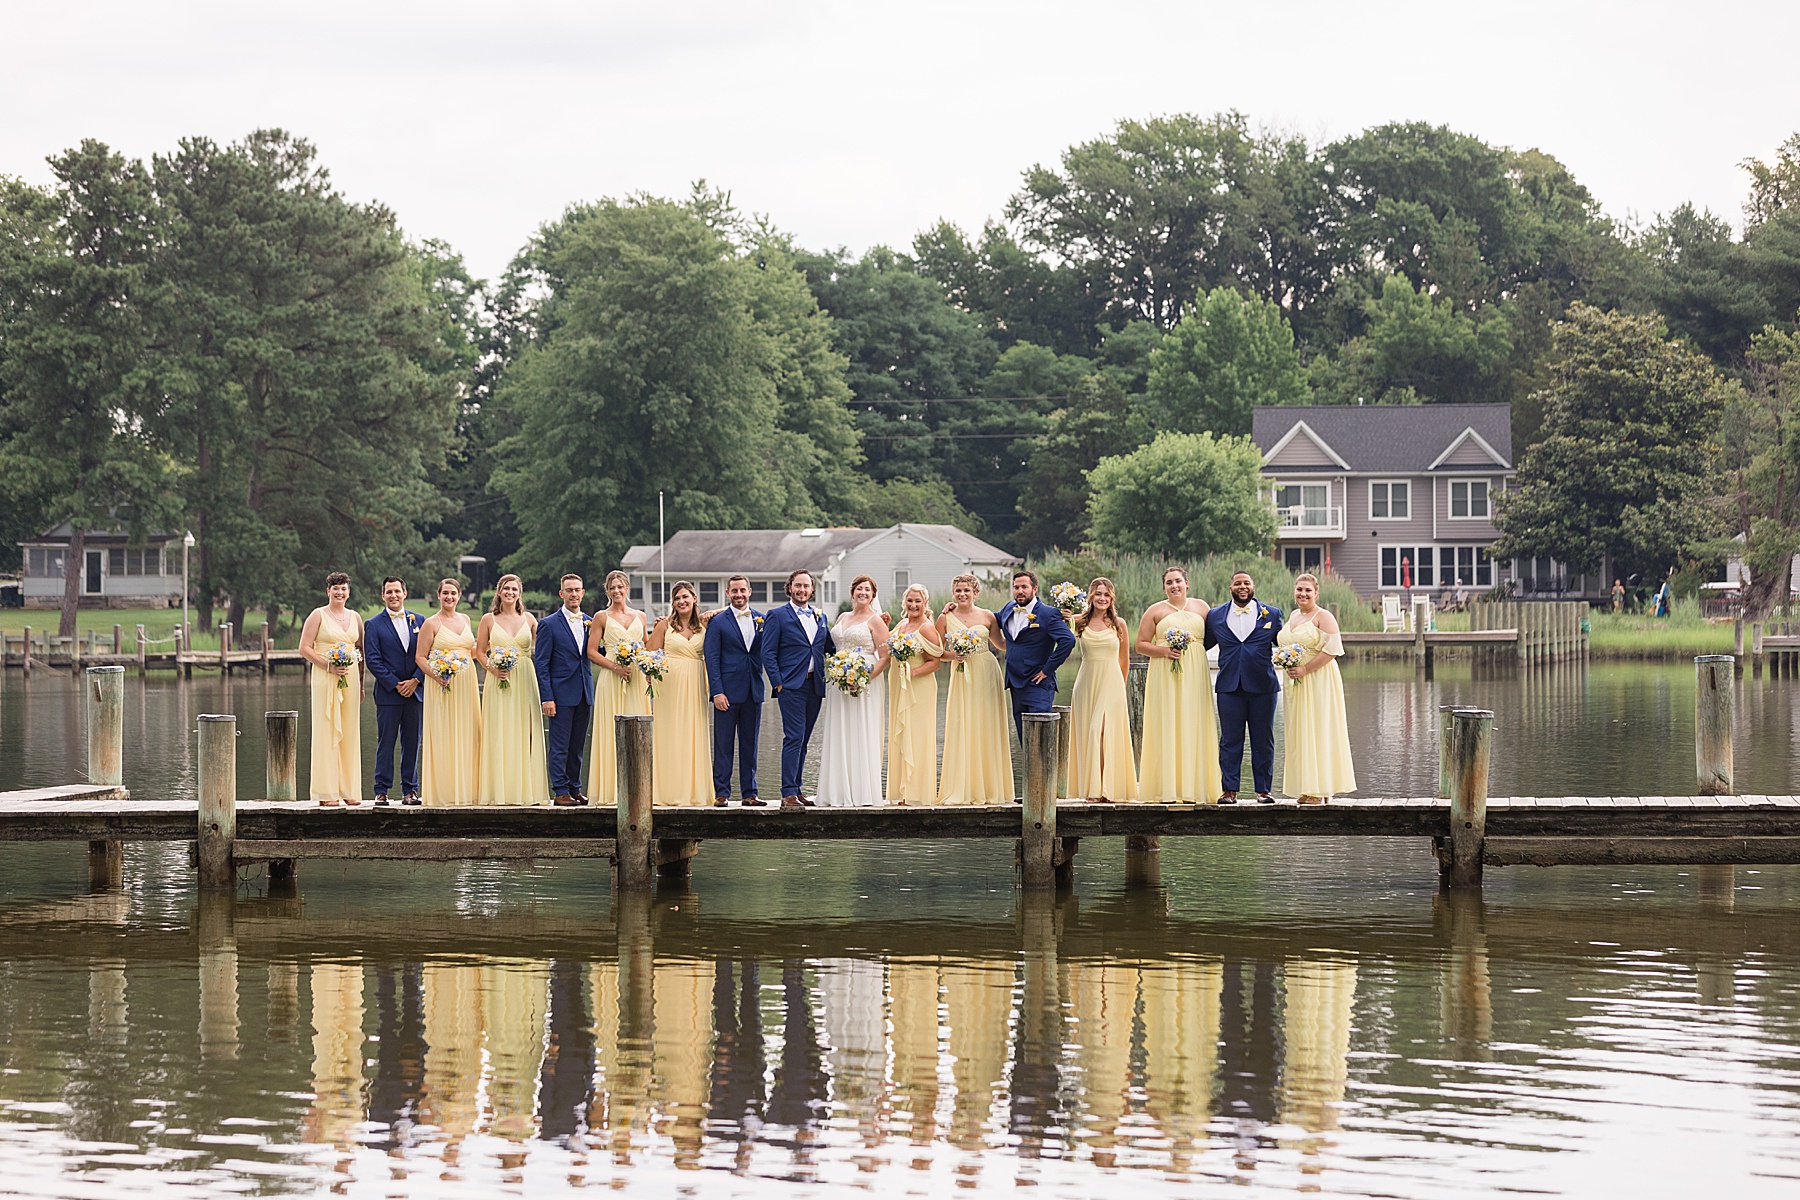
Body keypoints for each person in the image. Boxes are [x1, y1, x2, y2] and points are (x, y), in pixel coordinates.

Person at [1136, 566, 1219, 804]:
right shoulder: (1155, 610)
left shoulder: (1202, 607)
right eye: (1169, 583)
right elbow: (1140, 644)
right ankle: (1167, 789)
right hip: (1165, 673)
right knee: (1168, 722)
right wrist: (1163, 651)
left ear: (1187, 583)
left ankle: (1195, 788)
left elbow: (1214, 637)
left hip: (1195, 672)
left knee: (1194, 721)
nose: (1174, 586)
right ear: (1164, 587)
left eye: (1178, 581)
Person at [1205, 570, 1284, 804]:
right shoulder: (1215, 616)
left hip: (1263, 686)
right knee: (1229, 739)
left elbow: (1287, 643)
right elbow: (1201, 644)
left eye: (1246, 583)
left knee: (1263, 739)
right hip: (1229, 686)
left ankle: (1263, 791)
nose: (1242, 586)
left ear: (1253, 586)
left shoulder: (1273, 614)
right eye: (1237, 583)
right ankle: (1229, 790)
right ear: (1230, 587)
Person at [1277, 573, 1355, 804]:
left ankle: (1320, 789)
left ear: (1316, 593)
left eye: (1307, 590)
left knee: (1319, 728)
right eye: (1299, 589)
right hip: (1296, 683)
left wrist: (1305, 669)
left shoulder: (1324, 616)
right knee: (1301, 729)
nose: (1302, 594)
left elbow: (1332, 650)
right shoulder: (1293, 616)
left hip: (1319, 679)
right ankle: (1308, 786)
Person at [937, 574, 1014, 805]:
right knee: (963, 723)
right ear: (953, 594)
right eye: (958, 591)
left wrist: (1029, 643)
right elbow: (936, 651)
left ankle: (991, 788)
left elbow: (1001, 644)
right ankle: (964, 787)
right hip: (961, 673)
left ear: (975, 593)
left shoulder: (987, 616)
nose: (962, 594)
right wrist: (954, 655)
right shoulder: (945, 617)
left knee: (987, 723)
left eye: (966, 591)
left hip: (987, 670)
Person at [761, 569, 834, 808]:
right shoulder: (777, 615)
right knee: (793, 737)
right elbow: (768, 652)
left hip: (815, 685)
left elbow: (829, 649)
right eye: (798, 586)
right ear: (790, 587)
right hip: (791, 686)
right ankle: (787, 793)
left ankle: (798, 788)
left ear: (812, 590)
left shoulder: (819, 617)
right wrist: (778, 682)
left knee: (804, 740)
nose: (802, 590)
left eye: (806, 586)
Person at [817, 575, 890, 807]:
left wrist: (864, 678)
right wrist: (839, 671)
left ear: (873, 595)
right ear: (852, 592)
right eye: (859, 589)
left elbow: (885, 657)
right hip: (839, 681)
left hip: (865, 680)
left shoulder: (876, 620)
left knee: (861, 729)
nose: (863, 593)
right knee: (841, 730)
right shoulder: (842, 617)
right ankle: (837, 791)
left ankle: (862, 792)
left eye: (867, 590)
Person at [475, 574, 547, 806]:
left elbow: (545, 644)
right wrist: (493, 670)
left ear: (520, 593)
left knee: (526, 730)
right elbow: (479, 652)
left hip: (525, 676)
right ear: (499, 592)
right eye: (506, 588)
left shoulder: (529, 619)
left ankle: (526, 790)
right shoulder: (488, 619)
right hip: (499, 680)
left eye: (514, 589)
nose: (510, 592)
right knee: (500, 731)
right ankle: (500, 791)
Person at [1068, 577, 1137, 802]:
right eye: (1098, 594)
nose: (1102, 598)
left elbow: (1124, 660)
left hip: (1113, 683)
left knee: (1105, 732)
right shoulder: (1078, 622)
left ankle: (1109, 788)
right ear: (1090, 596)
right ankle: (1093, 789)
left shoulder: (1120, 624)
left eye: (1106, 595)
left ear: (1111, 598)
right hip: (1087, 682)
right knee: (1090, 733)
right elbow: (1052, 630)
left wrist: (1120, 688)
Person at [585, 570, 651, 806]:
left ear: (627, 589)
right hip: (611, 679)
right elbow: (591, 652)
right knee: (611, 731)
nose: (616, 591)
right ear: (607, 591)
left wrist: (648, 669)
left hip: (635, 679)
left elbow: (646, 645)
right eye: (612, 588)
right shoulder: (601, 616)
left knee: (639, 730)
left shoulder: (641, 616)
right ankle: (609, 789)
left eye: (620, 587)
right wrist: (615, 667)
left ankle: (637, 789)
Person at [299, 571, 364, 807]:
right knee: (327, 730)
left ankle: (349, 789)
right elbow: (304, 648)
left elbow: (360, 651)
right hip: (326, 677)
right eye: (335, 588)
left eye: (343, 588)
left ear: (349, 592)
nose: (339, 592)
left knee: (349, 731)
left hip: (351, 677)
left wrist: (361, 685)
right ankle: (327, 792)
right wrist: (328, 666)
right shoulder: (318, 615)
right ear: (328, 591)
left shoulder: (355, 617)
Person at [648, 581, 714, 806]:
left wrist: (714, 611)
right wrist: (652, 677)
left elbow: (738, 610)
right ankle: (667, 792)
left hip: (695, 684)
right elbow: (649, 655)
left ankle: (693, 792)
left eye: (685, 597)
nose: (681, 602)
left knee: (692, 733)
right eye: (677, 599)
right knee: (670, 734)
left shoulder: (705, 624)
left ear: (694, 598)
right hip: (669, 686)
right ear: (673, 603)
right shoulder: (664, 625)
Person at [416, 578, 480, 807]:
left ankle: (468, 790)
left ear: (459, 595)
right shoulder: (431, 624)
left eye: (453, 593)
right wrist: (436, 675)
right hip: (441, 683)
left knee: (468, 732)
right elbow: (420, 657)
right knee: (445, 733)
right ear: (439, 595)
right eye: (445, 593)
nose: (449, 597)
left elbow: (470, 651)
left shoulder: (465, 619)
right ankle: (443, 792)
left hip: (467, 682)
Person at [703, 573, 766, 806]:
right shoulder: (718, 623)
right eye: (734, 591)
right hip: (726, 693)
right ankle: (721, 793)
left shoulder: (762, 619)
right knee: (723, 744)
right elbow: (712, 659)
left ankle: (750, 793)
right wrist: (717, 692)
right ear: (727, 594)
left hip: (753, 691)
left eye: (743, 590)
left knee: (750, 744)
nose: (739, 594)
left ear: (749, 592)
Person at [534, 573, 595, 807]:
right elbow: (542, 663)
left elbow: (596, 650)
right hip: (560, 695)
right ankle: (560, 790)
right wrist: (547, 697)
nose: (573, 594)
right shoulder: (548, 624)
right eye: (568, 590)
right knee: (560, 746)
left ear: (583, 592)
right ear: (561, 594)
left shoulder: (590, 622)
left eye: (577, 590)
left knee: (578, 745)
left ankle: (575, 788)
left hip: (584, 692)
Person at [995, 569, 1075, 743]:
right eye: (1016, 587)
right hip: (1015, 684)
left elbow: (1068, 641)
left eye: (1024, 587)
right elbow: (991, 619)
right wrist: (960, 610)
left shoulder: (1048, 614)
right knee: (1026, 740)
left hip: (1038, 684)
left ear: (1035, 589)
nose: (1020, 591)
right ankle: (1031, 772)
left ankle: (1048, 771)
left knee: (1041, 738)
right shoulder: (1009, 608)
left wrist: (1047, 670)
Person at [364, 576, 423, 806]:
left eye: (397, 591)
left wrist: (416, 680)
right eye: (389, 592)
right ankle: (381, 790)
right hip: (389, 694)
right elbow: (373, 660)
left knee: (412, 743)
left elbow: (425, 655)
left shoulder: (419, 620)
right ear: (383, 596)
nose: (394, 595)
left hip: (416, 693)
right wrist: (397, 684)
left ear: (404, 593)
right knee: (386, 743)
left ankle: (410, 790)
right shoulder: (374, 624)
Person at [885, 583, 944, 806]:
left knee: (917, 737)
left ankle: (917, 793)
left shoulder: (927, 628)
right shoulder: (901, 624)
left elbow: (935, 662)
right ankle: (901, 792)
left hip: (919, 687)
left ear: (925, 603)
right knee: (901, 736)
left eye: (917, 601)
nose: (913, 605)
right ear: (904, 602)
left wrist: (911, 673)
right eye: (910, 601)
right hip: (899, 685)